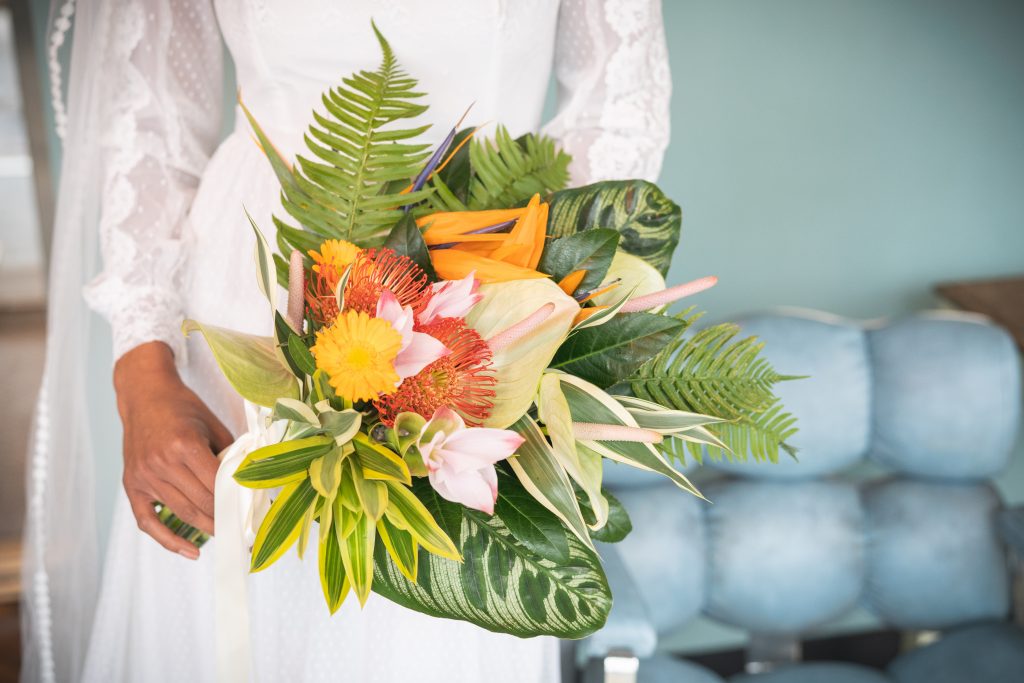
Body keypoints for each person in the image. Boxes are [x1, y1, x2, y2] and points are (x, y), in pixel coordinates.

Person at [23, 1, 670, 681]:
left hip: (478, 304)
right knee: (234, 604)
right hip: (246, 308)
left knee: (426, 621)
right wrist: (142, 372)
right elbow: (147, 125)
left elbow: (616, 105)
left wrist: (539, 300)